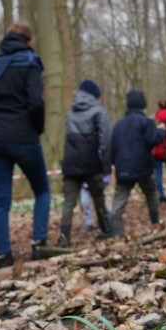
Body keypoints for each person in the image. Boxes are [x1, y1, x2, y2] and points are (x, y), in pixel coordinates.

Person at [0, 22, 49, 267]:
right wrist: (36, 127)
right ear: (29, 41)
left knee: (1, 200)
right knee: (42, 191)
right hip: (24, 137)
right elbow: (36, 103)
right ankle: (39, 244)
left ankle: (3, 256)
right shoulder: (31, 61)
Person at [58, 79, 112, 247]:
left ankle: (64, 239)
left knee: (69, 202)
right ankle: (107, 230)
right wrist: (106, 167)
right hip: (91, 164)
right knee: (98, 197)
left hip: (71, 163)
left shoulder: (70, 111)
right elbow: (105, 141)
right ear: (94, 95)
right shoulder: (99, 112)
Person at [109, 88, 166, 237]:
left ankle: (116, 236)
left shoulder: (118, 125)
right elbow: (153, 139)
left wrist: (112, 166)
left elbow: (112, 148)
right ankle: (155, 223)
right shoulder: (146, 122)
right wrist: (161, 131)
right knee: (152, 194)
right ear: (143, 104)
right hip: (143, 168)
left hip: (123, 170)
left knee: (118, 204)